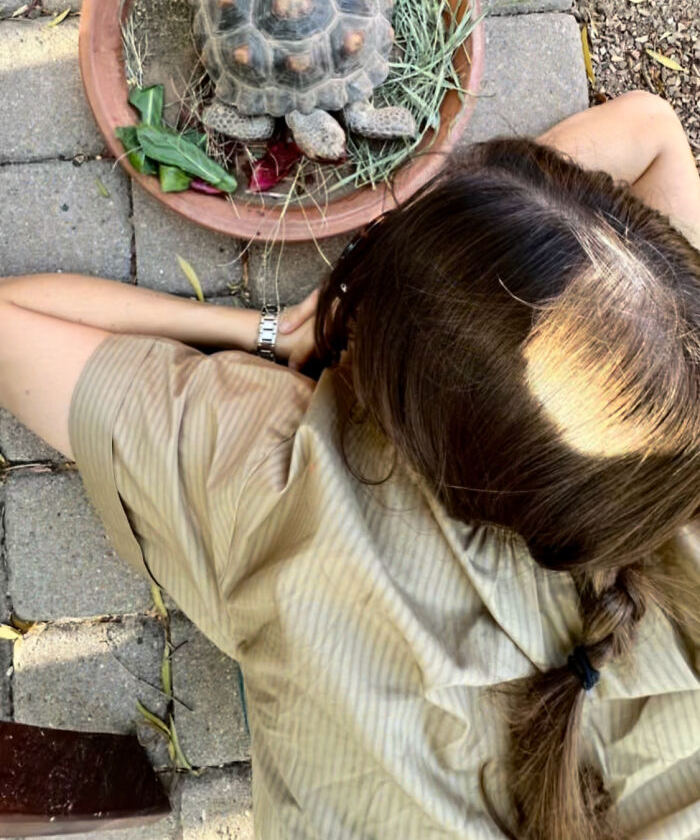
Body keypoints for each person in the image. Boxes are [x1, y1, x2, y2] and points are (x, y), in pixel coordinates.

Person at [0, 88, 698, 840]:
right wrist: (445, 249)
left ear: (405, 391)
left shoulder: (278, 472)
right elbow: (652, 128)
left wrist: (272, 328)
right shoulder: (676, 406)